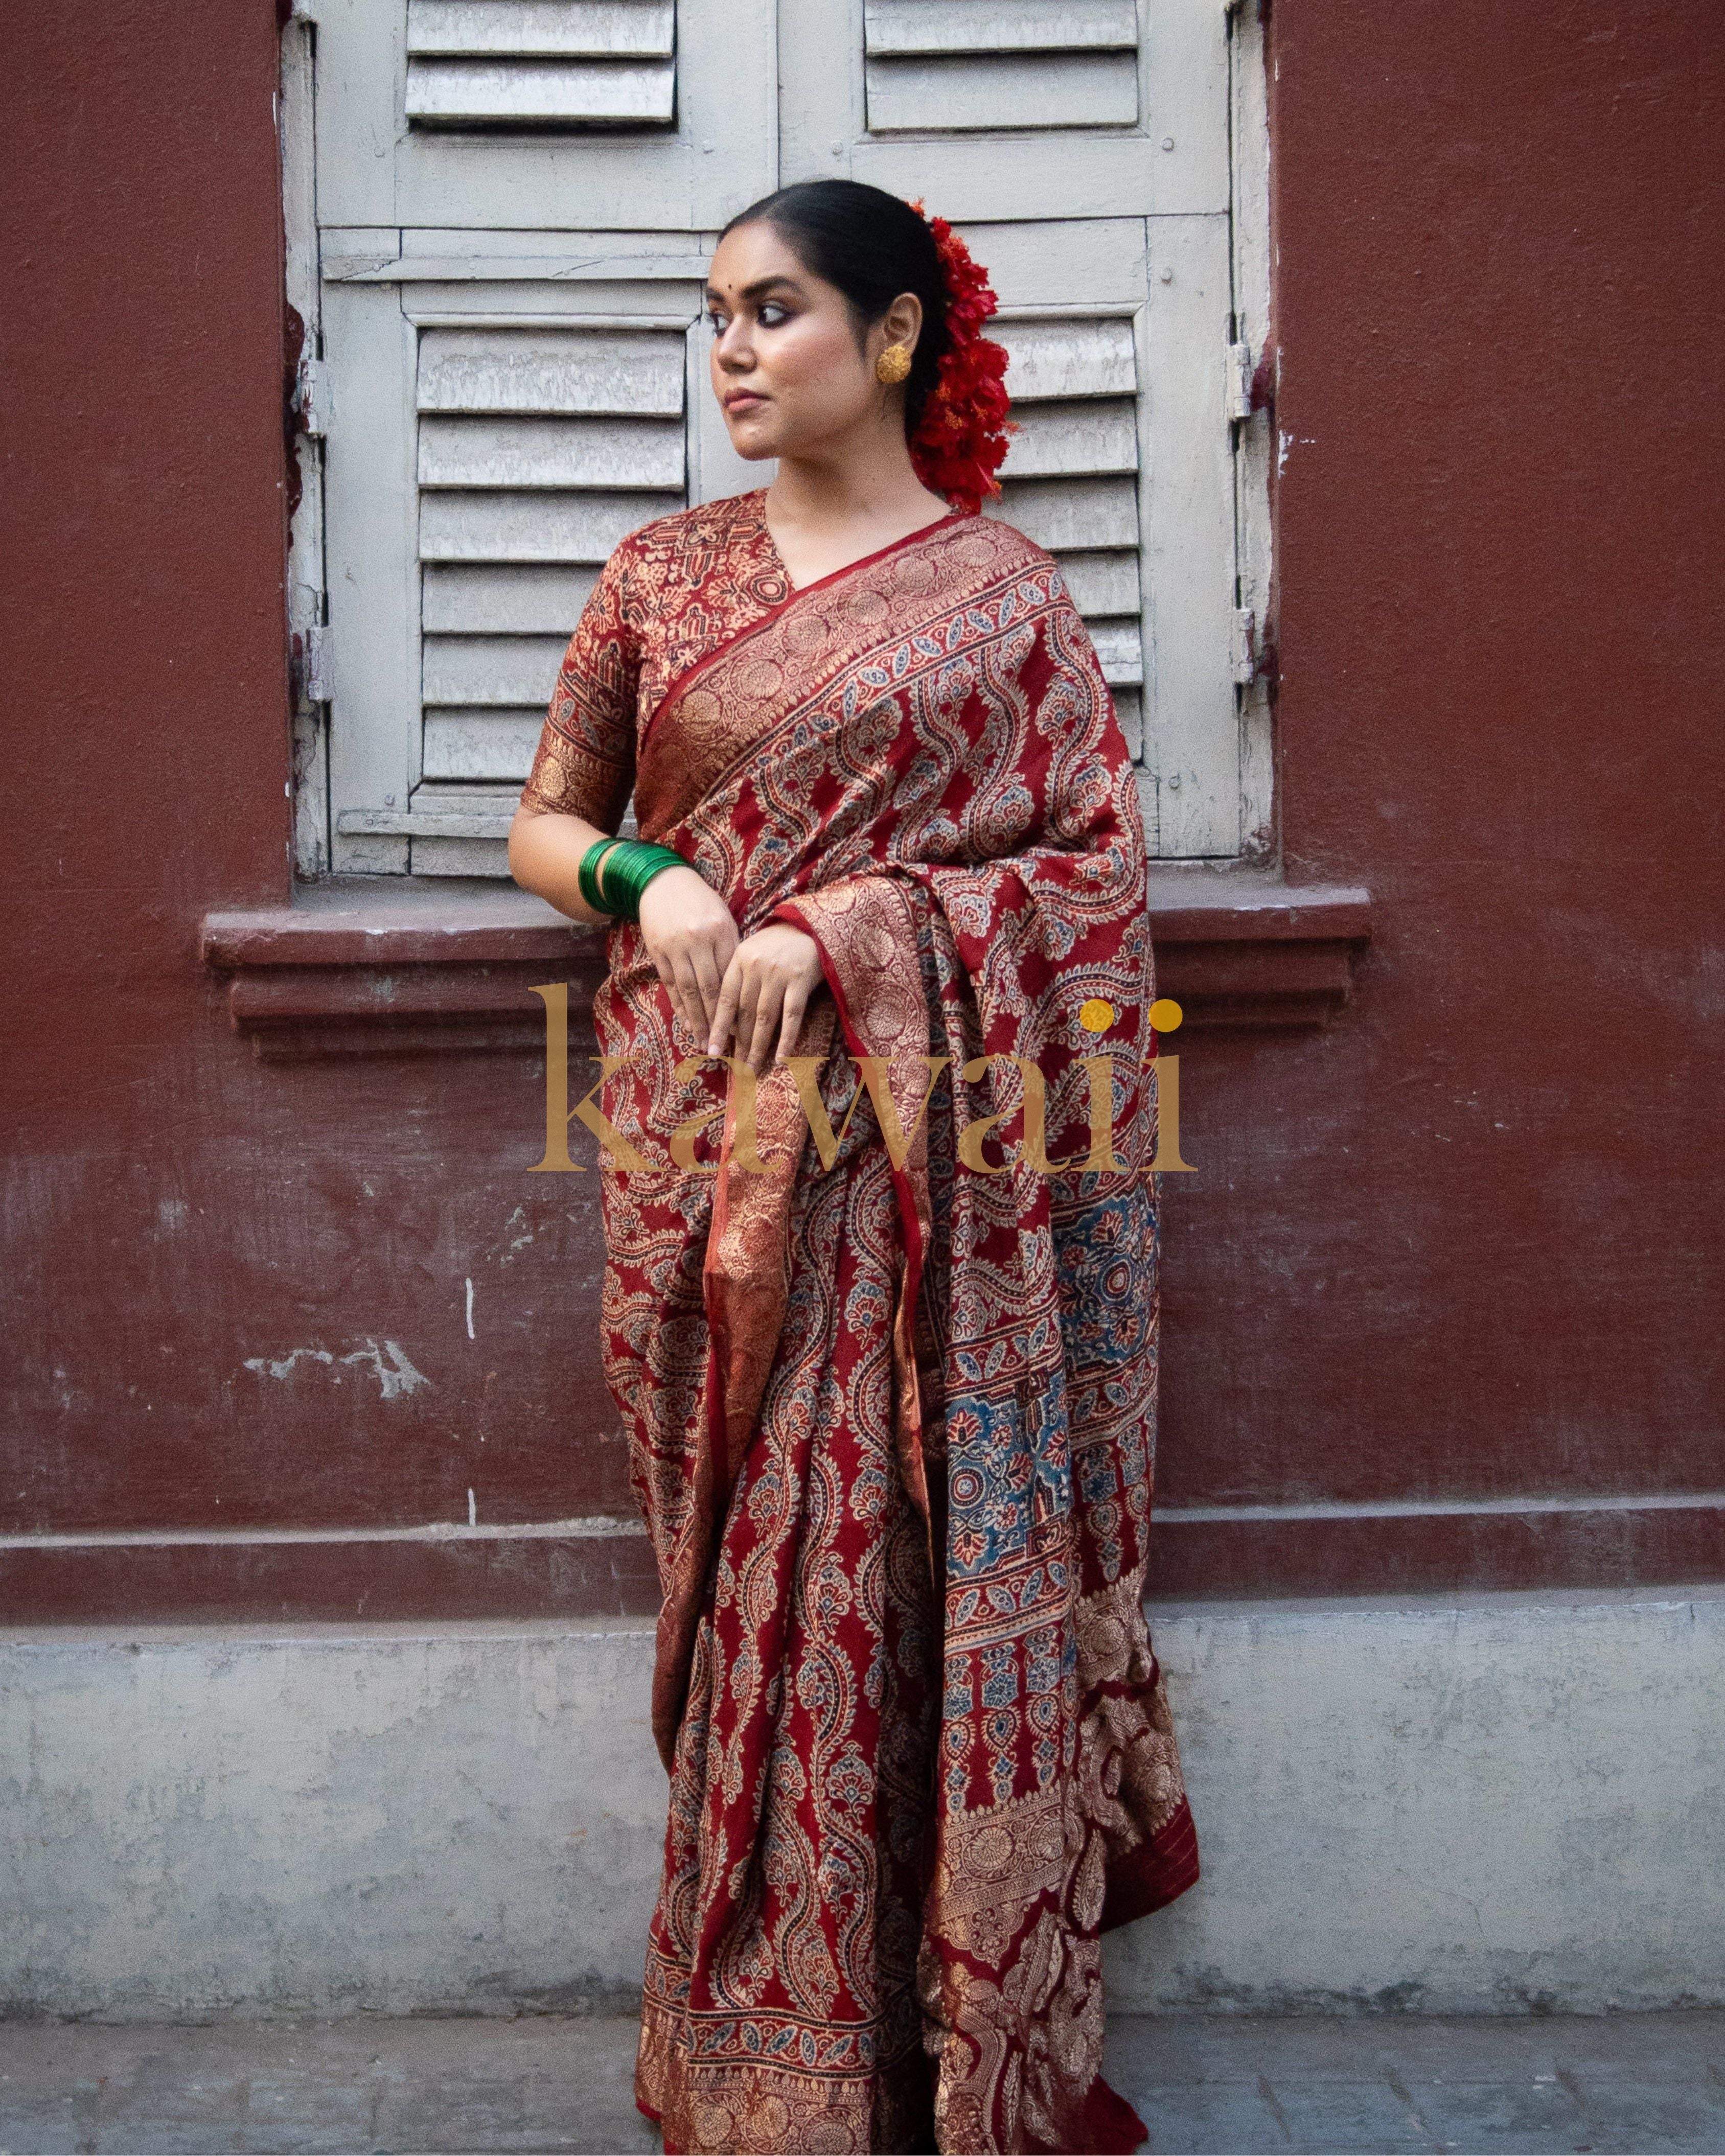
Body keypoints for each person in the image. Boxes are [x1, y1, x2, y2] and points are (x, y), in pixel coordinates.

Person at [509, 178, 1198, 2156]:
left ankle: (935, 2049)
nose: (729, 349)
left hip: (940, 1181)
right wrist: (653, 882)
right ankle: (764, 2057)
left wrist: (856, 931)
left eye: (774, 309)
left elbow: (1091, 882)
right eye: (715, 314)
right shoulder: (657, 579)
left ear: (895, 338)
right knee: (768, 1583)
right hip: (710, 1159)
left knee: (913, 1577)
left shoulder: (1011, 600)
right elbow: (542, 826)